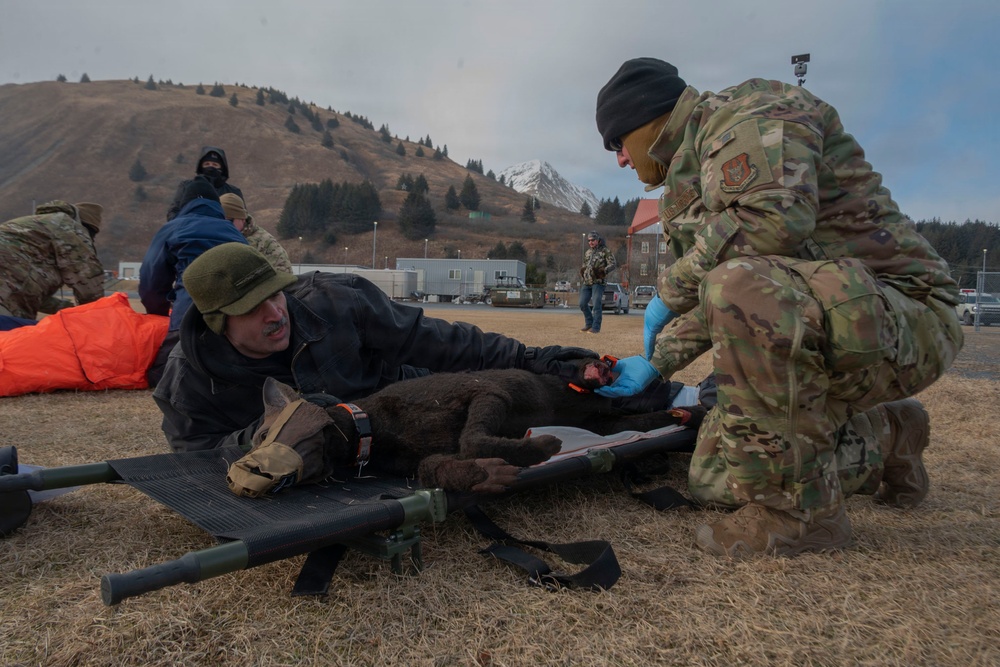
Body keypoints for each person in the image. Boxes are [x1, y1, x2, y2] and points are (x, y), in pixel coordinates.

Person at [592, 57, 963, 557]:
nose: (619, 159)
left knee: (733, 284)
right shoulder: (694, 178)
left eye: (617, 142)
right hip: (836, 320)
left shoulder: (748, 114)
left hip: (910, 315)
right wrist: (656, 362)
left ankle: (801, 516)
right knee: (718, 475)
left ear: (647, 118)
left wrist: (670, 290)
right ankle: (888, 435)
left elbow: (770, 225)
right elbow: (740, 293)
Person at [153, 242, 608, 454]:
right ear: (217, 323)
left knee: (515, 395)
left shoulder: (339, 301)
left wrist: (532, 358)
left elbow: (438, 343)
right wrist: (264, 435)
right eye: (252, 307)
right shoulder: (188, 384)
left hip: (408, 408)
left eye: (275, 293)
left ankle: (641, 404)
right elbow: (197, 460)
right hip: (335, 464)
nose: (275, 312)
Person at [140, 177, 249, 387]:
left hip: (187, 316)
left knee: (163, 375)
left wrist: (159, 313)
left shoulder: (173, 229)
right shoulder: (233, 233)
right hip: (233, 320)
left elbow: (151, 281)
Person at [0, 200, 104, 320]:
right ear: (83, 226)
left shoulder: (34, 226)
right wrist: (97, 314)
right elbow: (88, 277)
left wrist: (61, 306)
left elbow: (27, 287)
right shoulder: (68, 226)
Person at [219, 193, 293, 273]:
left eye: (229, 221)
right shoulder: (213, 237)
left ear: (242, 219)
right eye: (219, 221)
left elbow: (284, 275)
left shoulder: (265, 243)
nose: (224, 225)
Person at [166, 146, 245, 221]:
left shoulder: (233, 192)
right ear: (201, 166)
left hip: (223, 233)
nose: (211, 167)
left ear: (222, 168)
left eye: (215, 165)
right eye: (207, 164)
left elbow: (243, 218)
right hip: (189, 230)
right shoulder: (187, 187)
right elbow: (173, 212)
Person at [579, 230, 617, 334]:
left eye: (593, 240)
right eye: (589, 240)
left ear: (598, 240)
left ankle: (595, 327)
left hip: (598, 282)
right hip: (587, 282)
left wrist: (603, 270)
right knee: (582, 303)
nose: (590, 242)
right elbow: (585, 264)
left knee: (596, 304)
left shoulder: (605, 251)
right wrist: (583, 271)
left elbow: (613, 264)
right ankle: (589, 323)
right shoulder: (588, 252)